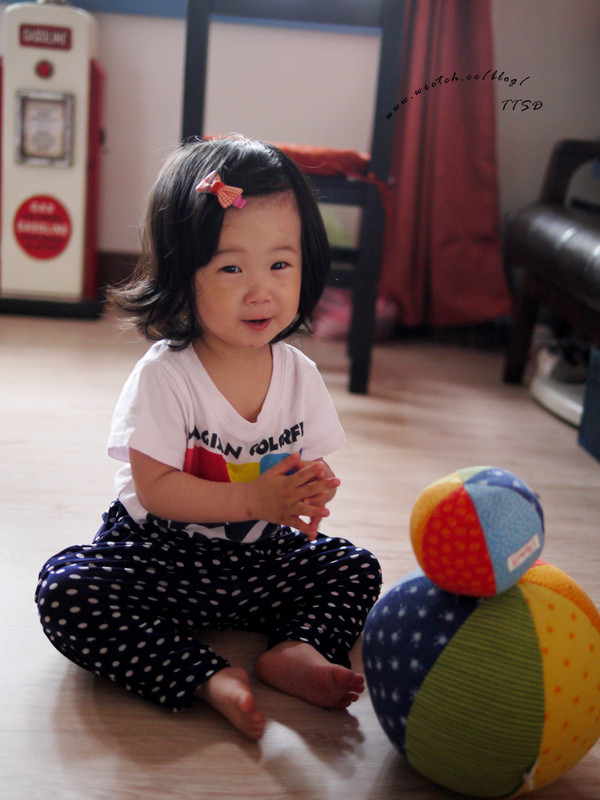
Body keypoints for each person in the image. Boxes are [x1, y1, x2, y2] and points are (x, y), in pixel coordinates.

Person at [35, 136, 382, 741]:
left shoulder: (298, 374)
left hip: (262, 558)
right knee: (67, 590)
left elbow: (307, 463)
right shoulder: (166, 376)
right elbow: (155, 489)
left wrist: (311, 488)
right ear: (181, 275)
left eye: (280, 265)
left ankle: (295, 649)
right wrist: (254, 499)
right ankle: (204, 675)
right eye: (231, 268)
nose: (261, 290)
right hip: (162, 557)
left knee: (356, 568)